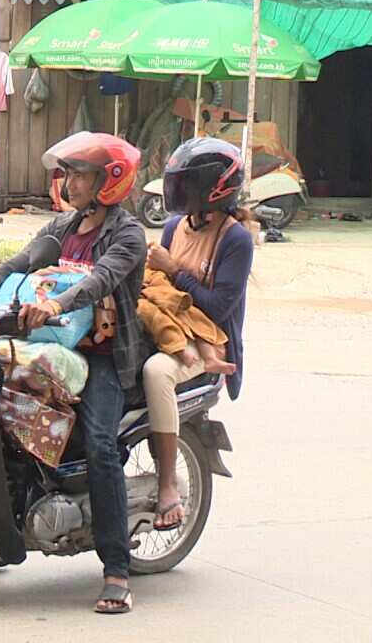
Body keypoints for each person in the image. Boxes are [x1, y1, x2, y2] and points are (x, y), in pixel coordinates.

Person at [0, 131, 150, 613]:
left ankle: (116, 569)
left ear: (109, 181)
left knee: (102, 446)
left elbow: (100, 280)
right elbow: (17, 264)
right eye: (66, 173)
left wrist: (54, 305)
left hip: (105, 358)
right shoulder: (65, 226)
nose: (68, 182)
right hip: (49, 346)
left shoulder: (127, 233)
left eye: (79, 174)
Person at [141, 138, 254, 532]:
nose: (179, 193)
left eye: (187, 185)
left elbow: (218, 308)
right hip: (171, 323)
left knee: (157, 372)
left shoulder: (235, 239)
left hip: (207, 337)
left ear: (214, 189)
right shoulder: (175, 226)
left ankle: (168, 482)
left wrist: (173, 269)